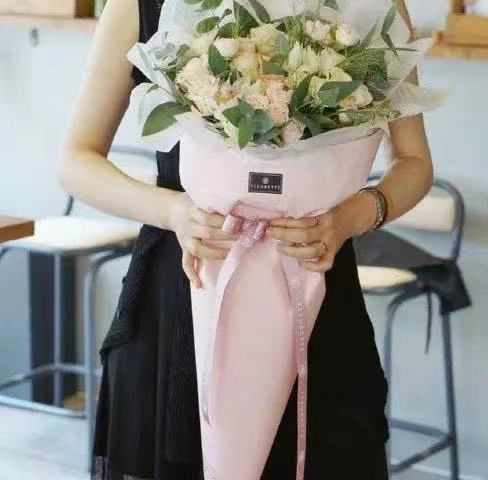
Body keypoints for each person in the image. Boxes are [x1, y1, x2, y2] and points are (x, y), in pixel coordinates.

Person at [58, 0, 433, 478]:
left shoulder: (372, 6)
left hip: (315, 291)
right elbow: (76, 160)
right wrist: (172, 211)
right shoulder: (139, 5)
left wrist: (352, 216)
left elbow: (414, 162)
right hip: (180, 299)